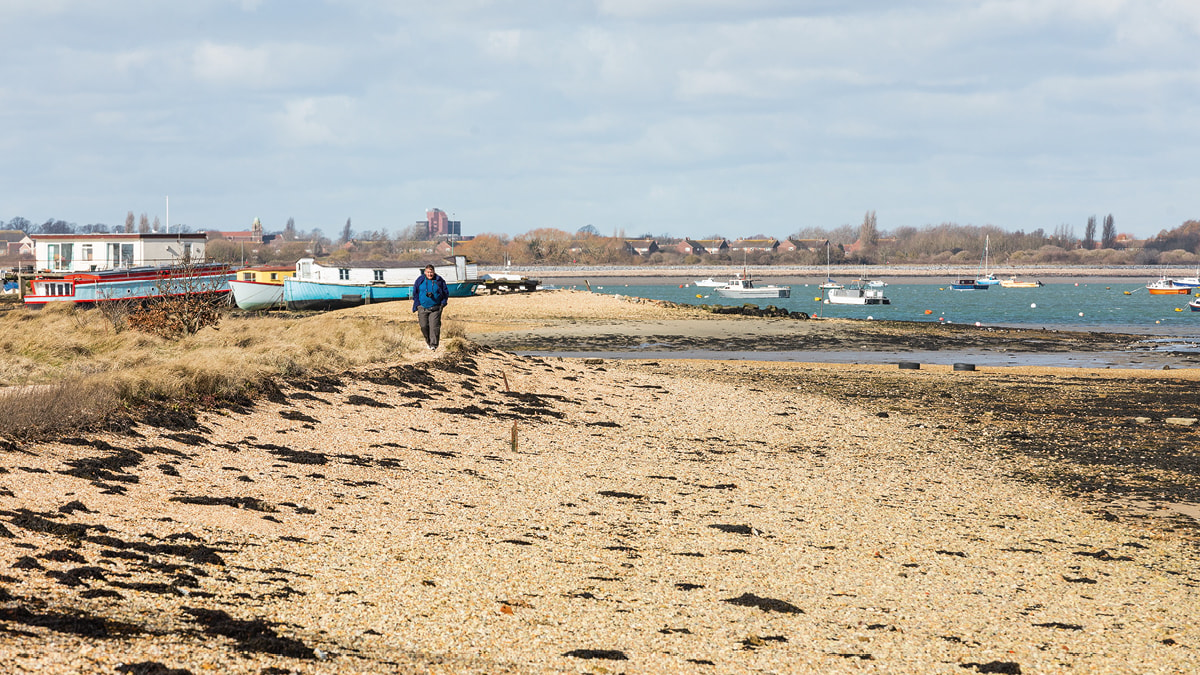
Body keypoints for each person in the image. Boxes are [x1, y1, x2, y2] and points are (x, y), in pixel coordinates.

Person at [412, 264, 449, 350]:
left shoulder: (439, 280)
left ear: (434, 272)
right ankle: (428, 342)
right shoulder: (420, 280)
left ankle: (434, 345)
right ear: (425, 272)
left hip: (435, 308)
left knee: (434, 326)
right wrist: (417, 305)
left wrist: (443, 304)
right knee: (424, 326)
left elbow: (445, 293)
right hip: (422, 307)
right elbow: (415, 293)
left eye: (431, 272)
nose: (430, 274)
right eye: (428, 272)